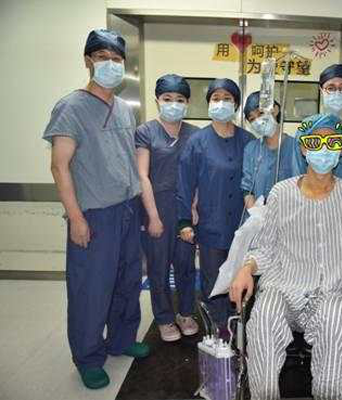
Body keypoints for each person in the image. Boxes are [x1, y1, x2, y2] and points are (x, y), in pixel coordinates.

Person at [230, 114, 342, 400]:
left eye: (332, 142)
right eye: (315, 142)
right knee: (263, 318)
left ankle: (328, 393)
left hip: (331, 291)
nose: (324, 149)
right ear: (302, 147)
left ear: (341, 148)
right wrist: (246, 268)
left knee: (335, 325)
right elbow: (265, 247)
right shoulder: (281, 192)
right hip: (282, 287)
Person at [42, 29, 149, 390]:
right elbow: (59, 166)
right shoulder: (71, 107)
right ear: (88, 61)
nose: (110, 64)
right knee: (91, 288)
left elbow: (127, 160)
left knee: (127, 280)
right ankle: (88, 357)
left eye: (117, 59)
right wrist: (76, 217)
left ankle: (121, 339)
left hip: (127, 209)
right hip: (95, 214)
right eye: (102, 57)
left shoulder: (124, 109)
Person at [178, 78, 253, 336]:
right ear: (209, 103)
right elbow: (185, 184)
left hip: (242, 225)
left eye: (227, 98)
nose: (221, 103)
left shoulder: (248, 140)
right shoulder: (197, 142)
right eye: (216, 98)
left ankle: (240, 330)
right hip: (211, 224)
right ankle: (218, 332)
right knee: (213, 281)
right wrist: (184, 221)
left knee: (240, 279)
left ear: (236, 104)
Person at [135, 74, 199, 342]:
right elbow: (142, 176)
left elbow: (198, 175)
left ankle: (185, 313)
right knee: (158, 267)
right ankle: (163, 318)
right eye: (167, 98)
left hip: (185, 207)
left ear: (187, 103)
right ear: (157, 100)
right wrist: (153, 216)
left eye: (180, 99)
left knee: (186, 265)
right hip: (157, 205)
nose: (174, 104)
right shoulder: (146, 132)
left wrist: (194, 206)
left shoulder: (195, 134)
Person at [292, 64, 342, 179]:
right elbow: (298, 170)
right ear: (321, 91)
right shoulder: (308, 127)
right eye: (331, 88)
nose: (337, 93)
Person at [241, 91, 294, 208]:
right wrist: (256, 214)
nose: (257, 121)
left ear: (275, 110)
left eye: (260, 113)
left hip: (289, 214)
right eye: (252, 119)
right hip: (258, 214)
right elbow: (247, 189)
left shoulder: (296, 147)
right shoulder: (251, 149)